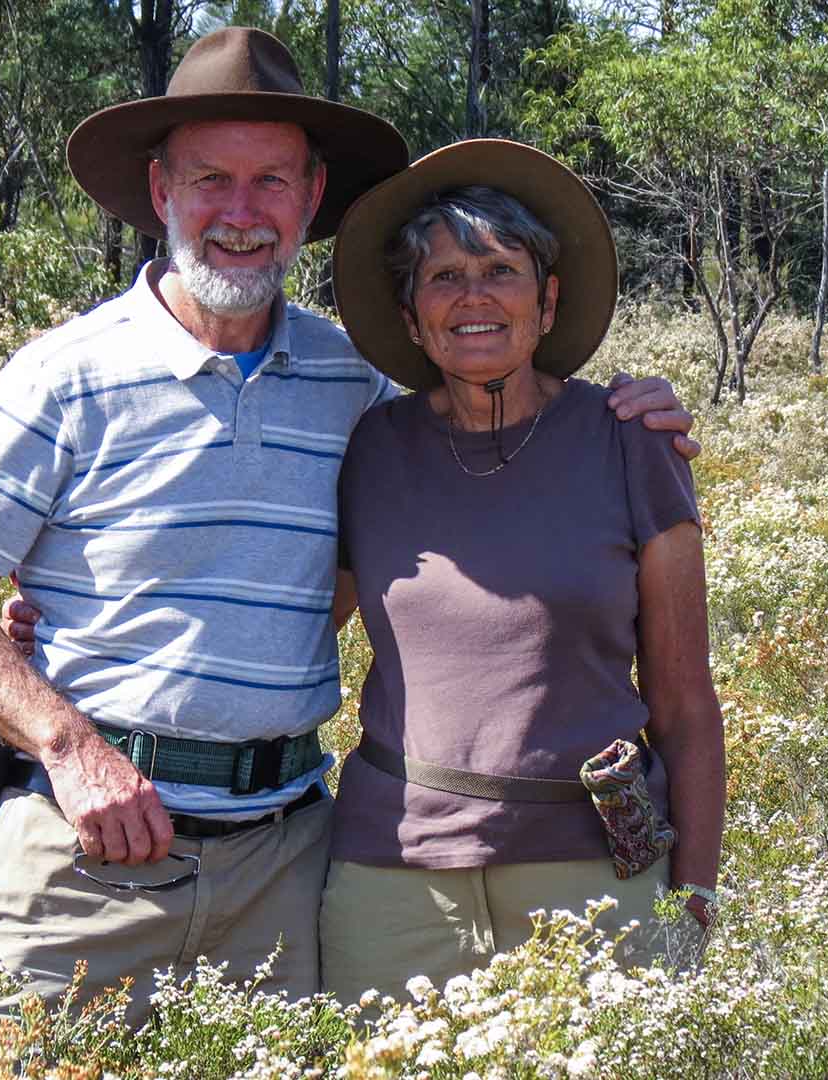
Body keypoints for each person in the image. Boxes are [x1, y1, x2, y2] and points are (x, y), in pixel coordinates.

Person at [0, 30, 698, 1068]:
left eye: (271, 180)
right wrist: (68, 744)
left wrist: (634, 413)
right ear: (160, 190)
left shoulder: (355, 383)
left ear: (312, 198)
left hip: (287, 859)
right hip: (81, 852)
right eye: (211, 179)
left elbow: (486, 441)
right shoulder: (63, 377)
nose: (241, 211)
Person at [316, 139, 727, 1000]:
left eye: (500, 270)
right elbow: (299, 627)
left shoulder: (630, 440)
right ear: (410, 310)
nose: (473, 296)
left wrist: (693, 894)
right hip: (393, 882)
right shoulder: (370, 451)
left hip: (591, 881)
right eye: (443, 276)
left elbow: (686, 701)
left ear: (546, 302)